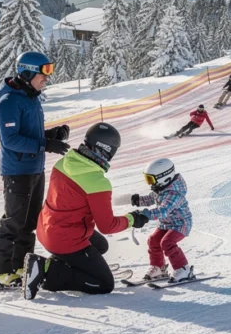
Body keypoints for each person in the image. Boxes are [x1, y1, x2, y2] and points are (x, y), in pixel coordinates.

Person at [24, 123, 147, 299]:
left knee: (100, 245)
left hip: (47, 228)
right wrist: (133, 219)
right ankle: (46, 270)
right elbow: (107, 226)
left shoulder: (64, 162)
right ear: (108, 150)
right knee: (104, 284)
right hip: (65, 239)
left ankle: (61, 262)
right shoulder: (97, 182)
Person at [0, 51, 71, 286]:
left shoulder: (30, 98)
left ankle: (21, 267)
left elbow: (29, 135)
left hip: (34, 168)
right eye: (43, 73)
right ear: (27, 72)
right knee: (13, 221)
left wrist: (51, 135)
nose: (47, 78)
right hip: (17, 171)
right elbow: (11, 140)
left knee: (29, 222)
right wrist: (46, 144)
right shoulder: (9, 102)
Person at [132, 158, 195, 283]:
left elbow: (163, 210)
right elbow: (152, 198)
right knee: (153, 240)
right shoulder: (161, 189)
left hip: (180, 224)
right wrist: (138, 200)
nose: (149, 183)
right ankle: (158, 268)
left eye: (151, 179)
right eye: (147, 179)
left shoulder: (174, 194)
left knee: (167, 243)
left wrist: (146, 215)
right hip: (166, 223)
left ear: (164, 177)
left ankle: (184, 269)